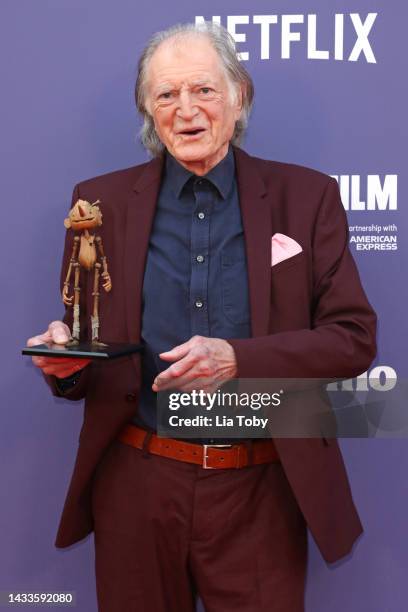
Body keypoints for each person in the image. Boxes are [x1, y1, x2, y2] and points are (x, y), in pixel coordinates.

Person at [27, 22, 377, 612]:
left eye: (204, 91)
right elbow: (88, 351)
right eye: (166, 95)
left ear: (239, 96)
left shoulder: (307, 197)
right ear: (147, 108)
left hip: (262, 486)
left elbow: (352, 339)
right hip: (136, 484)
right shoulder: (99, 204)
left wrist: (239, 358)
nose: (186, 110)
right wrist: (64, 359)